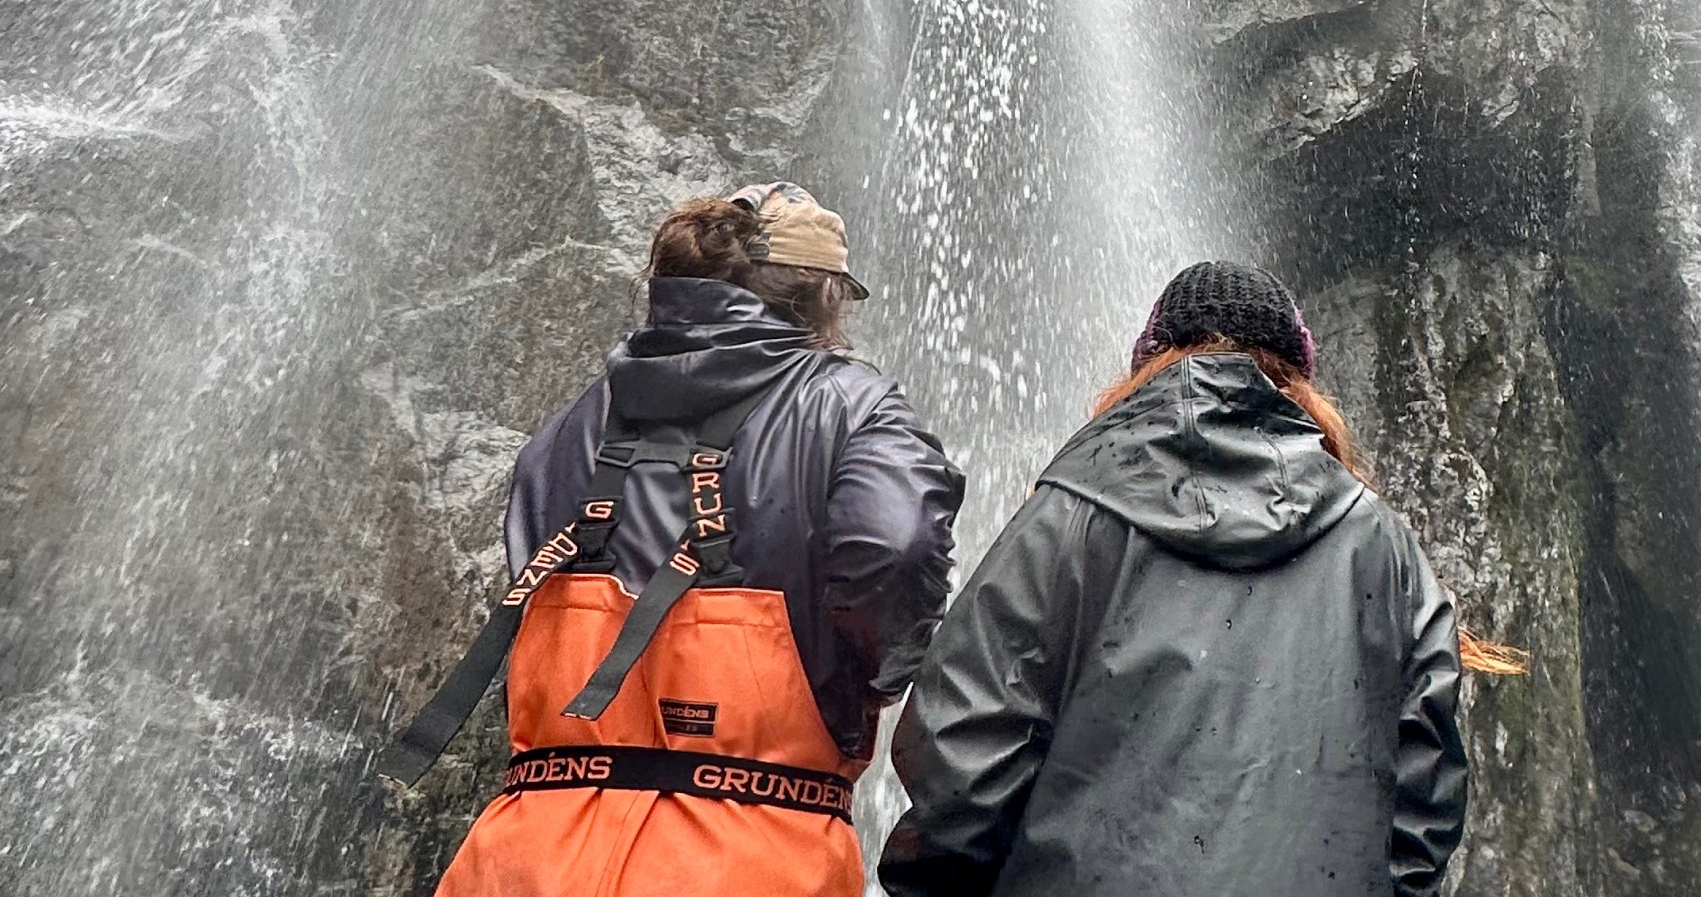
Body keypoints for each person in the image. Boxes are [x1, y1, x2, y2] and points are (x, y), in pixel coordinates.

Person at [389, 183, 964, 897]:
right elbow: (896, 547)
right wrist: (871, 675)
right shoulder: (852, 406)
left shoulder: (575, 423)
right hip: (749, 847)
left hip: (528, 845)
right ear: (821, 295)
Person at [877, 261, 1474, 897]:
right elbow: (1426, 788)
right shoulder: (1382, 545)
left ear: (1148, 363)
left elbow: (963, 749)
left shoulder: (1070, 512)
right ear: (1299, 382)